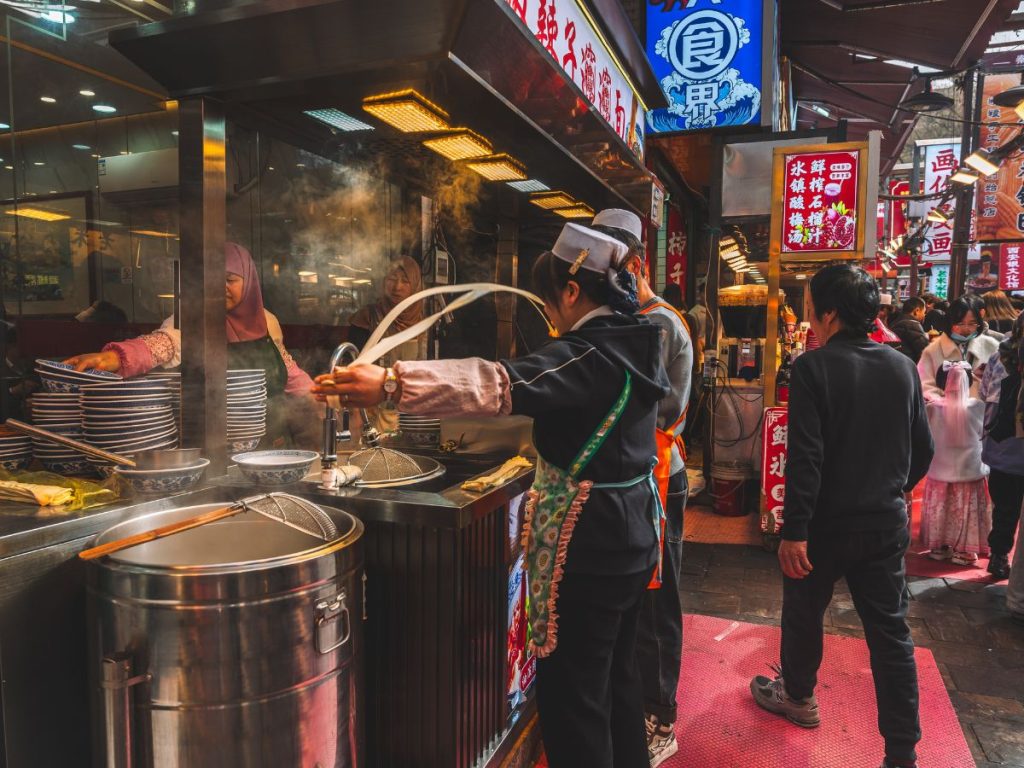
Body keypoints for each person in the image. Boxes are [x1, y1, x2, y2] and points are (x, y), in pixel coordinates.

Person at [314, 223, 669, 768]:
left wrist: (390, 384)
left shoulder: (590, 351)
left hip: (594, 541)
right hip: (634, 530)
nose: (550, 315)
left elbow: (503, 382)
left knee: (573, 698)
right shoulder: (638, 337)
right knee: (618, 680)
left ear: (572, 291)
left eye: (552, 301)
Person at [748, 265, 934, 768]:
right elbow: (924, 449)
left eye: (810, 306)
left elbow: (806, 457)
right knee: (891, 635)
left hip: (825, 527)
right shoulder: (901, 367)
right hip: (883, 524)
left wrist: (795, 531)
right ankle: (902, 752)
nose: (807, 315)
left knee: (804, 612)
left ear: (829, 312)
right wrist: (891, 491)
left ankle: (800, 698)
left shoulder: (814, 367)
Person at [593, 209, 692, 768]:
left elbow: (667, 407)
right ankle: (630, 705)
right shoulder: (620, 319)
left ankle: (661, 715)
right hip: (624, 475)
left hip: (656, 475)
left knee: (658, 599)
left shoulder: (662, 324)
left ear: (632, 265)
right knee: (630, 598)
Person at [64, 242, 320, 449]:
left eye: (230, 279)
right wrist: (114, 357)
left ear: (249, 282)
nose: (221, 287)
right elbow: (164, 344)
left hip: (274, 450)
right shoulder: (186, 321)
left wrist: (325, 395)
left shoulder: (266, 322)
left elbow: (289, 372)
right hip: (215, 453)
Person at [921, 362, 992, 566]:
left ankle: (939, 547)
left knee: (941, 508)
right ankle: (966, 551)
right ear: (968, 382)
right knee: (965, 510)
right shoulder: (978, 407)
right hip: (970, 469)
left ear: (942, 383)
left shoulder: (932, 409)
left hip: (939, 469)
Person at [979, 313, 1024, 580]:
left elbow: (985, 394)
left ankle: (998, 557)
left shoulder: (1000, 356)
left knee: (1005, 508)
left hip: (1002, 447)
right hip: (1010, 449)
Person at [918, 295, 999, 402]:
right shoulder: (933, 350)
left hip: (980, 413)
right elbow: (923, 386)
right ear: (949, 323)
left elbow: (1000, 385)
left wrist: (982, 380)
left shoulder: (991, 346)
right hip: (942, 414)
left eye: (972, 323)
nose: (966, 329)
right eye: (959, 324)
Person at [891, 297, 929, 363]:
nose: (924, 315)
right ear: (917, 311)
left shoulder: (894, 322)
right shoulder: (912, 325)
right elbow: (925, 350)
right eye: (924, 312)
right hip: (908, 365)